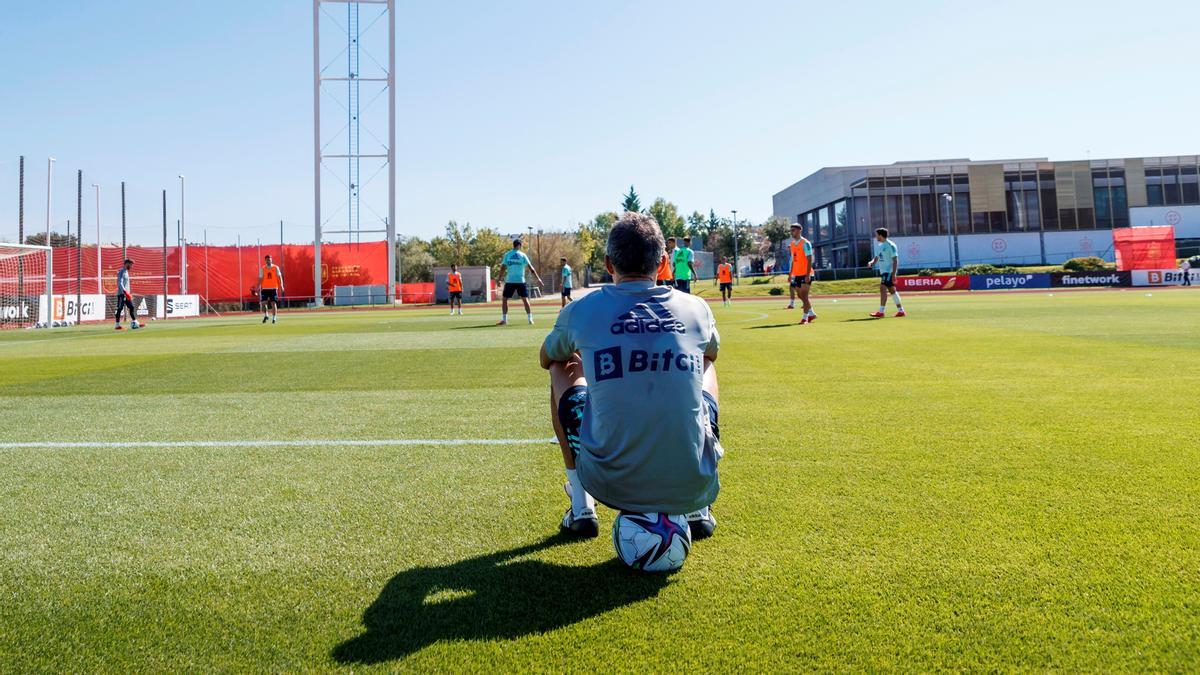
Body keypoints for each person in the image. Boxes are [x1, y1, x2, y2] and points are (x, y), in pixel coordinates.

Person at [540, 211, 723, 541]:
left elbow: (546, 357)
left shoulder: (581, 309)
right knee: (706, 363)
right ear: (663, 261)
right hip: (693, 480)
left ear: (609, 264)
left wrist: (591, 359)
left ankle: (582, 505)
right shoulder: (696, 308)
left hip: (609, 481)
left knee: (560, 362)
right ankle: (697, 507)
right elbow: (711, 353)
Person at [498, 239, 542, 325]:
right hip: (520, 281)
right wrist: (538, 278)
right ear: (520, 245)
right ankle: (530, 319)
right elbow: (531, 268)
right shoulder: (522, 255)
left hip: (510, 281)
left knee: (504, 300)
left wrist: (499, 279)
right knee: (525, 300)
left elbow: (502, 267)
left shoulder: (507, 254)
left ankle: (504, 320)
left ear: (513, 245)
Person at [867, 228, 905, 318]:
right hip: (884, 271)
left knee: (882, 287)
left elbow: (895, 260)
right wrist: (871, 263)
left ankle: (881, 312)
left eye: (876, 235)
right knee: (892, 290)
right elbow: (876, 258)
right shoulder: (880, 246)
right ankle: (901, 311)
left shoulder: (890, 245)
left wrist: (894, 274)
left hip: (889, 271)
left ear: (880, 235)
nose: (876, 236)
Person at [785, 223, 817, 324]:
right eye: (791, 230)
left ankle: (805, 318)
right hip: (797, 274)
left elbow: (809, 259)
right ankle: (812, 313)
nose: (791, 232)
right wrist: (790, 274)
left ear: (799, 230)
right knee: (800, 295)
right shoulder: (793, 245)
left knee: (804, 294)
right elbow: (794, 261)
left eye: (793, 230)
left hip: (806, 274)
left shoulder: (805, 243)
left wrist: (807, 275)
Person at [113, 258, 140, 331]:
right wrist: (125, 292)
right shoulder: (121, 271)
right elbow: (120, 282)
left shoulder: (126, 271)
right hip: (122, 294)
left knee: (131, 307)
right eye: (131, 264)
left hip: (127, 294)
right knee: (119, 309)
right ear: (126, 264)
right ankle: (117, 325)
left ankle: (135, 322)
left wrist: (128, 293)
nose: (131, 266)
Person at [258, 255, 284, 324]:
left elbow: (279, 277)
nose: (268, 261)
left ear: (271, 260)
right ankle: (266, 315)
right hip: (265, 288)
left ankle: (274, 318)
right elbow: (260, 278)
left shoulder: (276, 267)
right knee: (263, 303)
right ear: (265, 260)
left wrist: (281, 285)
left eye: (269, 260)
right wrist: (258, 286)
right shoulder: (263, 268)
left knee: (273, 303)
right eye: (267, 260)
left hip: (273, 288)